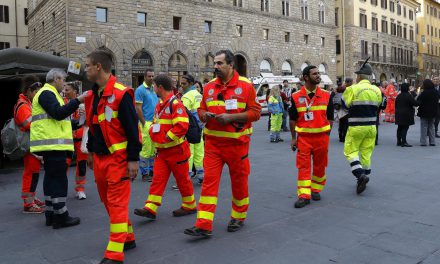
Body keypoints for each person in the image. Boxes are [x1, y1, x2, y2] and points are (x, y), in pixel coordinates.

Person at [184, 50, 261, 237]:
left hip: (238, 146)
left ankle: (238, 216)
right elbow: (201, 108)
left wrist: (231, 117)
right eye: (215, 63)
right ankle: (203, 224)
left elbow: (256, 112)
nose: (215, 67)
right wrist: (204, 115)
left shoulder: (246, 86)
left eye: (219, 63)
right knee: (209, 184)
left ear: (230, 65)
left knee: (239, 183)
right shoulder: (209, 87)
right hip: (213, 146)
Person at [84, 49, 141, 264]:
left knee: (116, 204)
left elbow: (132, 129)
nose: (86, 68)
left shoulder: (121, 93)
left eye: (88, 65)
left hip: (118, 159)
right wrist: (90, 151)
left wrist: (133, 159)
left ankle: (114, 254)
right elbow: (93, 125)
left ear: (98, 66)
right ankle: (128, 237)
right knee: (108, 201)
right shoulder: (94, 94)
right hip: (99, 159)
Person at [134, 74, 196, 220]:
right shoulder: (160, 104)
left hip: (176, 151)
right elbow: (157, 124)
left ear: (160, 87)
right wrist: (154, 135)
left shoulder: (175, 104)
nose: (153, 88)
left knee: (182, 180)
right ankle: (151, 207)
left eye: (154, 86)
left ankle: (189, 205)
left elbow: (181, 126)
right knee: (157, 179)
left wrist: (165, 138)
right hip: (162, 151)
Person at [30, 69, 86, 228]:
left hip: (52, 145)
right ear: (55, 78)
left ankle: (51, 214)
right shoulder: (47, 93)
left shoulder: (50, 94)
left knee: (51, 179)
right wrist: (78, 100)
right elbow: (58, 114)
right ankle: (61, 216)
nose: (64, 83)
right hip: (53, 146)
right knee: (59, 180)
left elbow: (60, 120)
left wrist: (80, 121)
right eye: (63, 80)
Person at [289, 66, 334, 208]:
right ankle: (304, 195)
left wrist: (327, 134)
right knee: (303, 166)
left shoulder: (327, 95)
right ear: (306, 77)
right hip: (304, 138)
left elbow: (331, 117)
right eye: (315, 74)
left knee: (320, 166)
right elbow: (292, 119)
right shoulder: (296, 96)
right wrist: (293, 138)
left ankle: (316, 189)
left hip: (322, 138)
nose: (318, 75)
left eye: (318, 73)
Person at [342, 60, 382, 195]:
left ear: (359, 76)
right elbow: (383, 105)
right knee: (366, 153)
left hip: (356, 126)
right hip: (372, 127)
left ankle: (360, 175)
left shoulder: (352, 88)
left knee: (350, 151)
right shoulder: (377, 89)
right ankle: (365, 175)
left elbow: (345, 105)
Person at [15, 75, 44, 213]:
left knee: (34, 172)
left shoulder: (27, 103)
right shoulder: (23, 105)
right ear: (28, 90)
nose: (36, 94)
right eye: (35, 91)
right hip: (29, 144)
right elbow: (28, 123)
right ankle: (28, 204)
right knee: (31, 173)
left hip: (32, 143)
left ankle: (31, 198)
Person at [64, 81, 88, 200]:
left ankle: (80, 189)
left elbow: (89, 120)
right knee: (64, 163)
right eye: (64, 90)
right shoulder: (62, 102)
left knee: (82, 164)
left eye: (67, 90)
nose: (64, 92)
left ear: (75, 92)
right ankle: (61, 188)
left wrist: (86, 114)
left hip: (80, 137)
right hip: (67, 137)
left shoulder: (83, 103)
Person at [180, 74, 205, 184]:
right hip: (200, 128)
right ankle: (201, 175)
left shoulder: (186, 97)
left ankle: (187, 177)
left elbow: (183, 115)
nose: (181, 86)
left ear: (190, 83)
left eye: (183, 83)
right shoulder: (199, 95)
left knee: (188, 153)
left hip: (189, 129)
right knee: (199, 152)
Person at [135, 70, 159, 182]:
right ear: (144, 77)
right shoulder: (140, 90)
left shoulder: (154, 89)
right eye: (149, 76)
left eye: (152, 76)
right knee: (146, 149)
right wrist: (143, 123)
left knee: (154, 148)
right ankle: (145, 173)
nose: (151, 78)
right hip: (146, 122)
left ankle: (152, 171)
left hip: (155, 122)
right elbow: (138, 108)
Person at [417, 79, 439, 146]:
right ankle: (432, 142)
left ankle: (423, 142)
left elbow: (418, 100)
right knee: (432, 126)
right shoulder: (436, 92)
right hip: (433, 112)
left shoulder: (424, 93)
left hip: (424, 112)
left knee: (424, 127)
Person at [395, 83, 419, 147]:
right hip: (406, 113)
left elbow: (396, 104)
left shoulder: (398, 96)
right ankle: (404, 142)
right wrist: (419, 101)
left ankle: (398, 141)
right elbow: (415, 103)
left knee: (399, 127)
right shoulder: (408, 95)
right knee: (405, 127)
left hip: (398, 113)